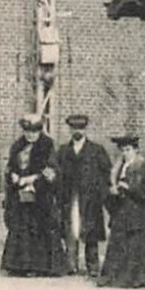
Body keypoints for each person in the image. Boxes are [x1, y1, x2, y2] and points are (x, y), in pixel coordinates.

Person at [0, 115, 66, 276]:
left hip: (40, 196)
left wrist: (34, 180)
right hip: (19, 194)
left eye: (33, 132)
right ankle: (18, 265)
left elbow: (52, 170)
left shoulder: (47, 145)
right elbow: (10, 167)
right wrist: (13, 176)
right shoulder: (17, 145)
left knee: (38, 229)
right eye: (27, 131)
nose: (30, 135)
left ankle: (39, 267)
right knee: (20, 227)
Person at [98, 133, 145, 288]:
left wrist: (128, 188)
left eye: (128, 150)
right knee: (119, 242)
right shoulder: (119, 167)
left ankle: (137, 277)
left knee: (138, 244)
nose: (125, 153)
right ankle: (115, 275)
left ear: (136, 150)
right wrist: (113, 192)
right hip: (122, 211)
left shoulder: (144, 167)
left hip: (139, 212)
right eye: (123, 150)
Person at [56, 114, 112, 277]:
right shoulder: (63, 151)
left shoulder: (96, 150)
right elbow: (57, 172)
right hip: (70, 197)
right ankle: (71, 264)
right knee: (70, 229)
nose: (77, 131)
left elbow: (106, 173)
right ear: (70, 130)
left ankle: (92, 266)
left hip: (90, 199)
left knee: (91, 231)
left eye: (80, 128)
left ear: (85, 129)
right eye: (74, 128)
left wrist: (100, 194)